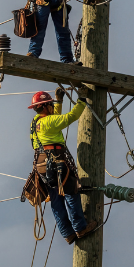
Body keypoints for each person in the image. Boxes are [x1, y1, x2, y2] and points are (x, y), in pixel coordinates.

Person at [29, 87, 97, 244]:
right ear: (45, 106)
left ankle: (67, 233)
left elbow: (55, 119)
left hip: (41, 164)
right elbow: (70, 117)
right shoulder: (49, 121)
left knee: (55, 199)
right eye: (51, 105)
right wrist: (82, 99)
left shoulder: (36, 122)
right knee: (70, 192)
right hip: (56, 161)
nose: (52, 107)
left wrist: (58, 101)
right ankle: (80, 228)